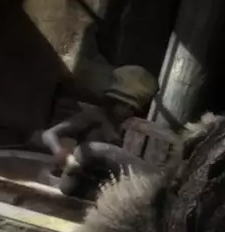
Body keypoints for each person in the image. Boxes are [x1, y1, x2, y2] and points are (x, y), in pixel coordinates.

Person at [40, 65, 158, 199]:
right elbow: (48, 134)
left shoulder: (124, 126)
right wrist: (61, 154)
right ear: (114, 101)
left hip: (105, 183)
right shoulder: (93, 116)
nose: (129, 112)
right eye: (125, 106)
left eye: (132, 109)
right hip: (81, 182)